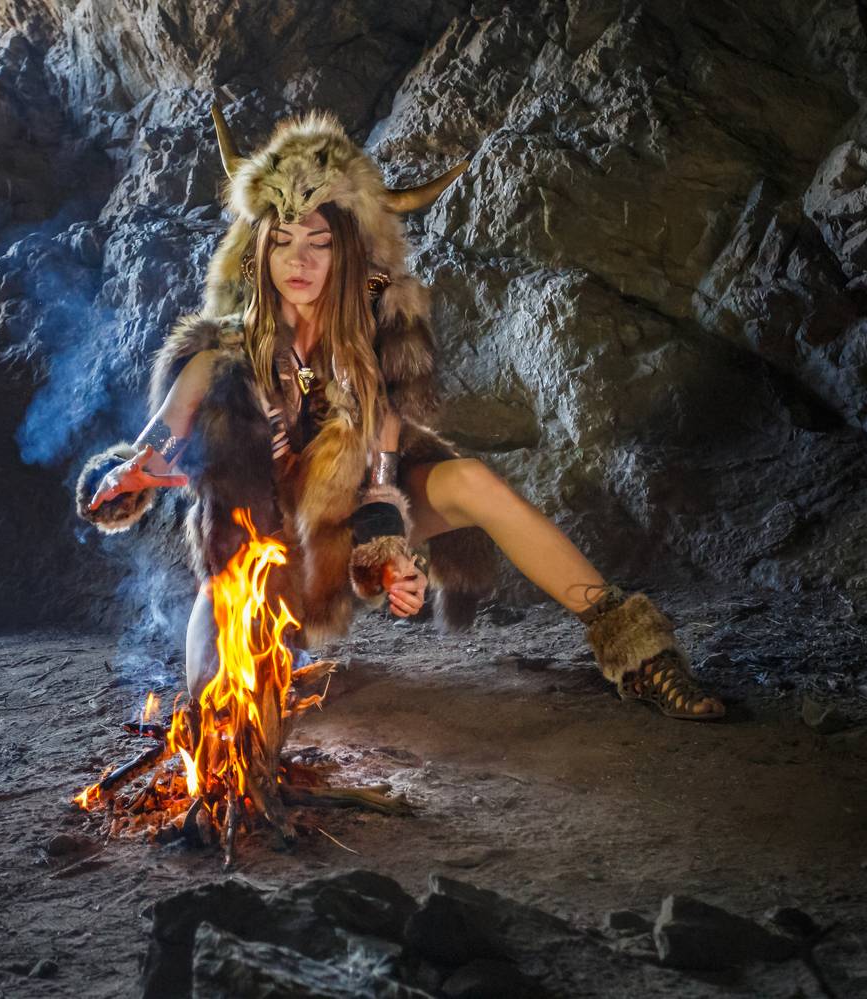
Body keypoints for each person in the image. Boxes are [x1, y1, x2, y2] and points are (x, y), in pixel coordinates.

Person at [75, 106, 724, 721]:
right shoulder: (217, 356)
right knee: (219, 704)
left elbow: (381, 473)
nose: (299, 260)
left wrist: (389, 555)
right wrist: (126, 477)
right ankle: (261, 668)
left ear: (346, 254)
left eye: (319, 242)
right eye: (284, 241)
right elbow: (157, 441)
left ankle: (637, 650)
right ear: (260, 253)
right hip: (256, 561)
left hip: (340, 534)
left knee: (470, 481)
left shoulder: (371, 344)